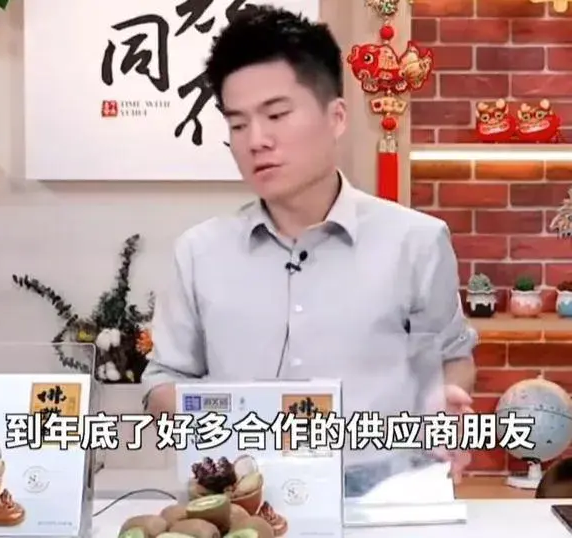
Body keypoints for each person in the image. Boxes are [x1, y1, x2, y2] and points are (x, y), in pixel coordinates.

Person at [142, 5, 477, 494]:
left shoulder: (416, 241)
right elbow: (163, 380)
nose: (256, 140)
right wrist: (228, 418)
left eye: (277, 115)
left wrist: (446, 400)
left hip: (381, 501)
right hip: (242, 504)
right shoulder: (200, 252)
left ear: (336, 117)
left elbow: (452, 357)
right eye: (238, 124)